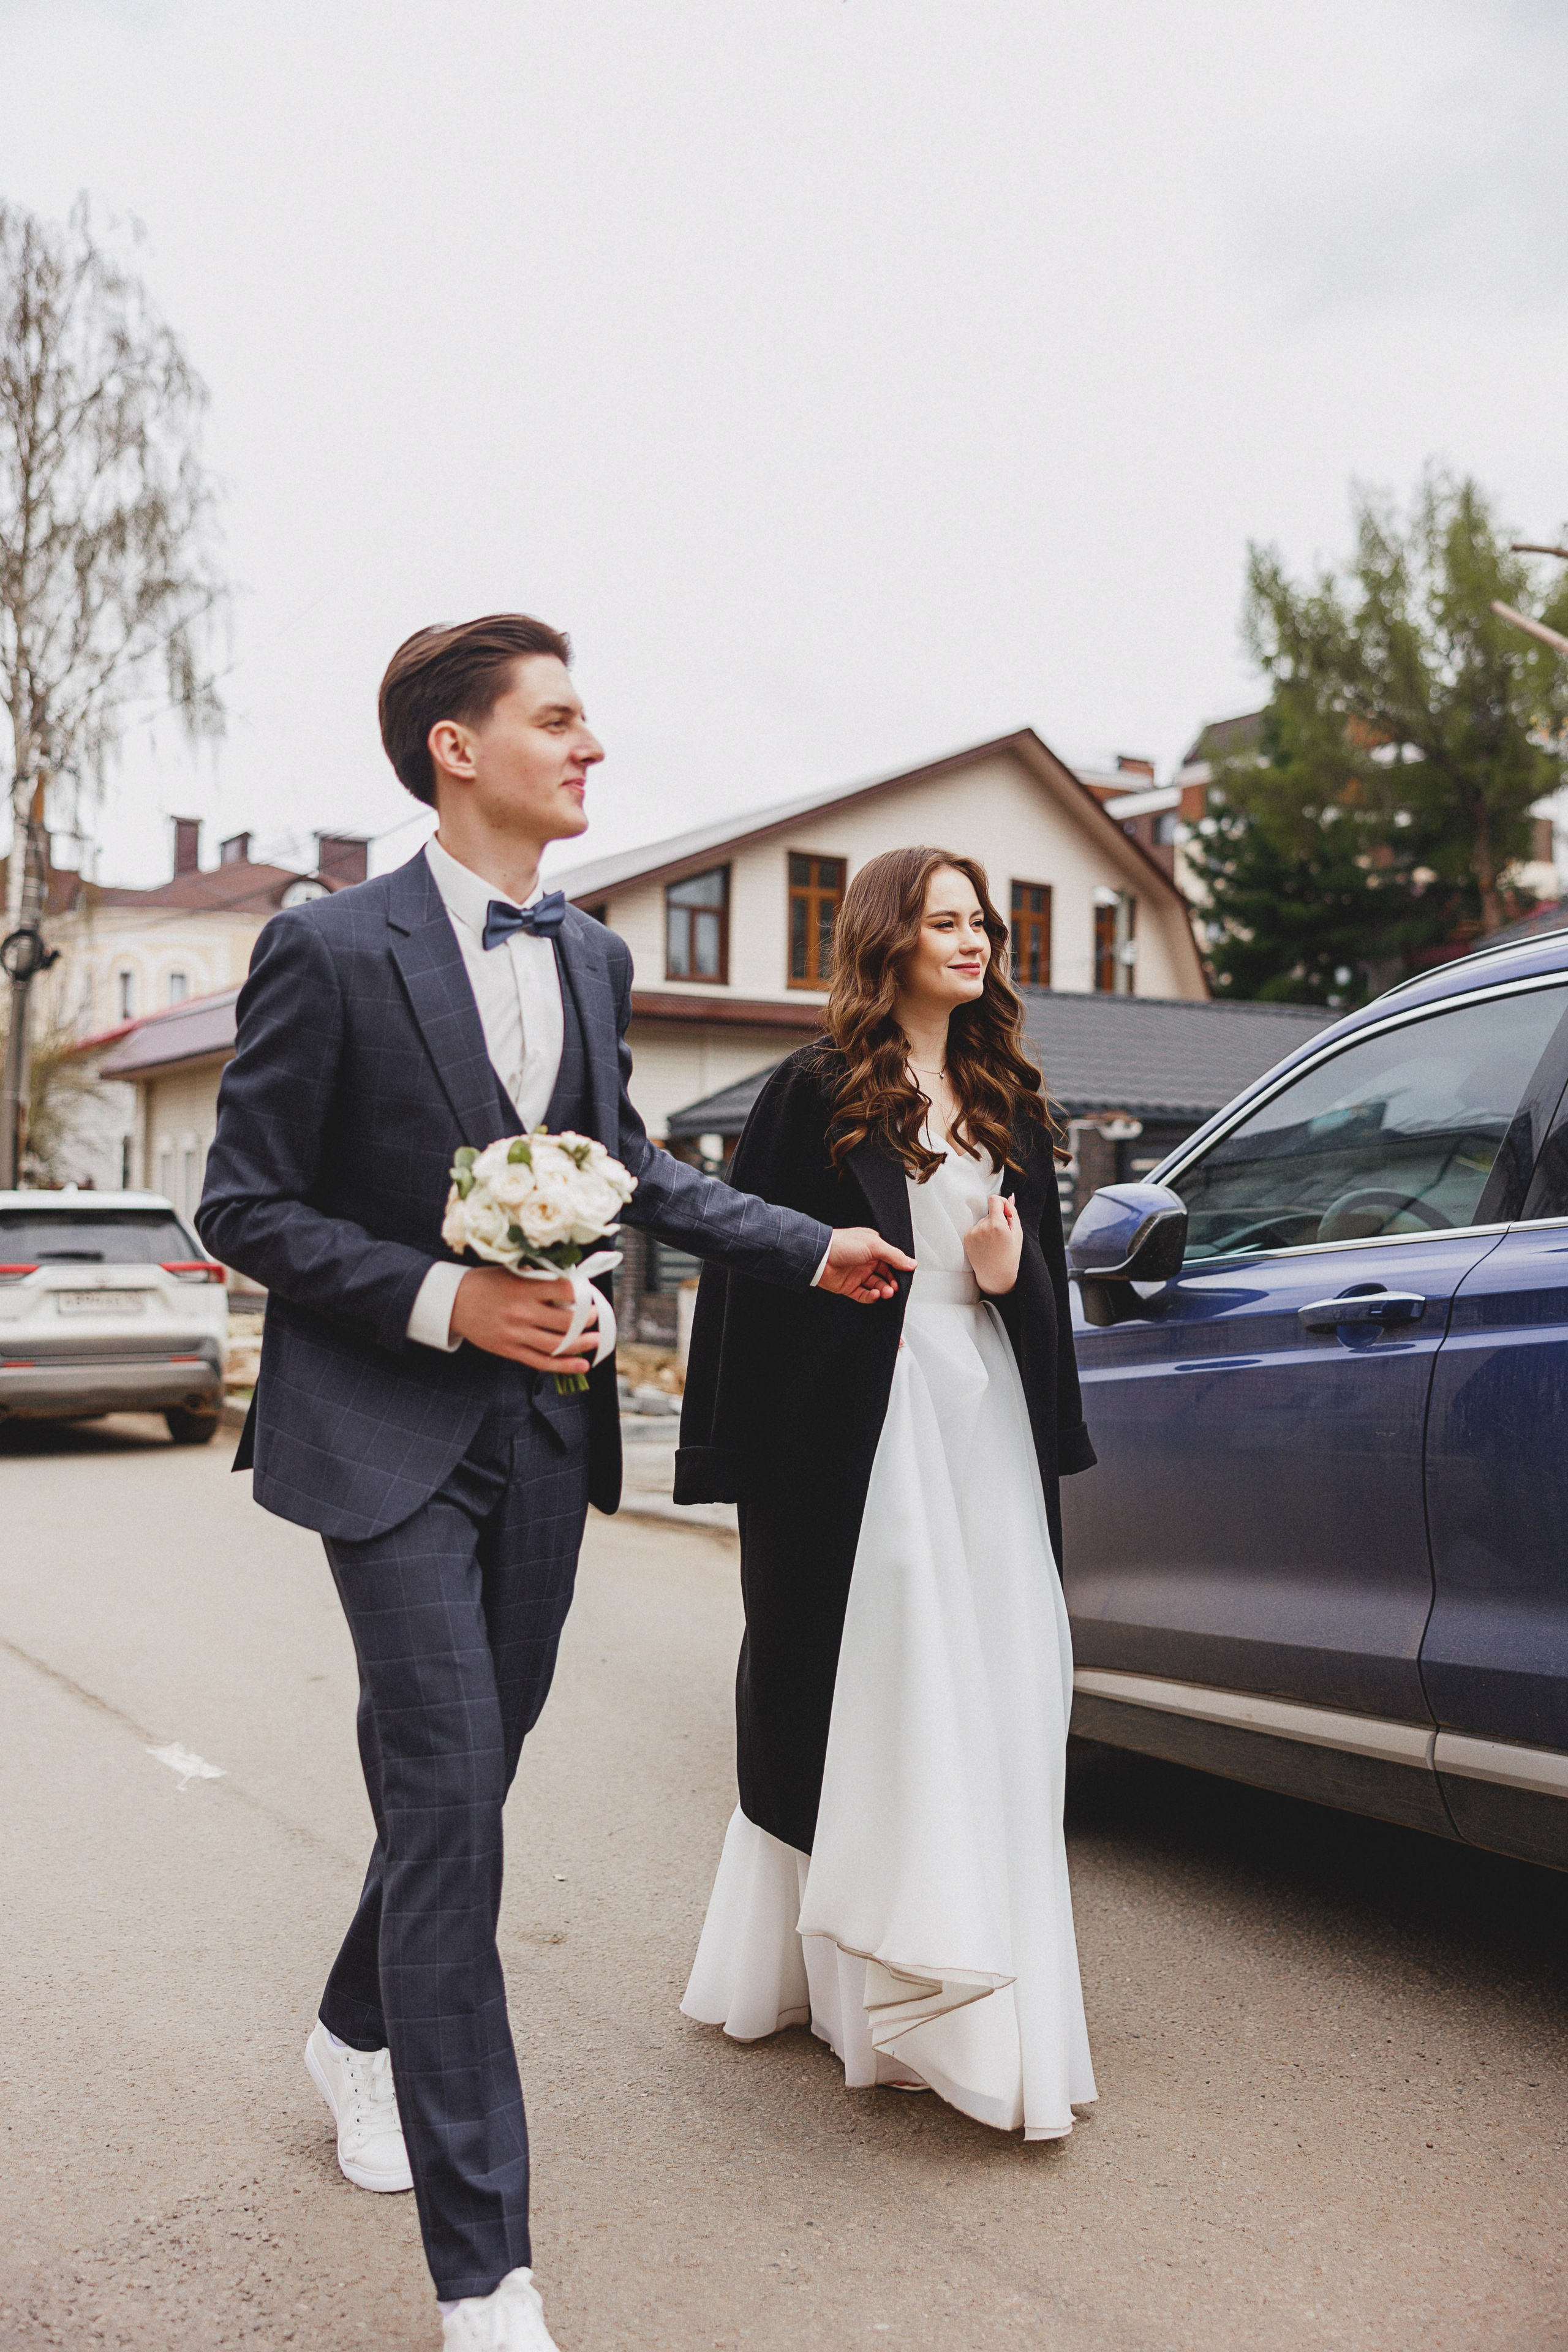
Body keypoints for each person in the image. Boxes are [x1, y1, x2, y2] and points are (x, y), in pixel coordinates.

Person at [196, 615, 914, 2352]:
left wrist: (812, 1245)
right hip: (381, 1441)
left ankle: (353, 2027)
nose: (594, 749)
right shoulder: (328, 948)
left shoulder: (590, 958)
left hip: (537, 1448)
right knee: (450, 1801)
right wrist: (453, 1296)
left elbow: (629, 1166)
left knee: (472, 1780)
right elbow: (242, 1204)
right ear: (457, 746)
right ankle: (486, 2275)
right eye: (561, 720)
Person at [676, 846, 1099, 2139]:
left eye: (981, 922)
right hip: (857, 1428)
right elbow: (745, 1270)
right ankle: (866, 1982)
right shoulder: (814, 1091)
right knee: (880, 1678)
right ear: (886, 939)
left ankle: (972, 1959)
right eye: (943, 921)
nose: (972, 942)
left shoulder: (1008, 1093)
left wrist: (1006, 1262)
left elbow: (1043, 1288)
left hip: (984, 1420)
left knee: (1002, 1677)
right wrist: (733, 1460)